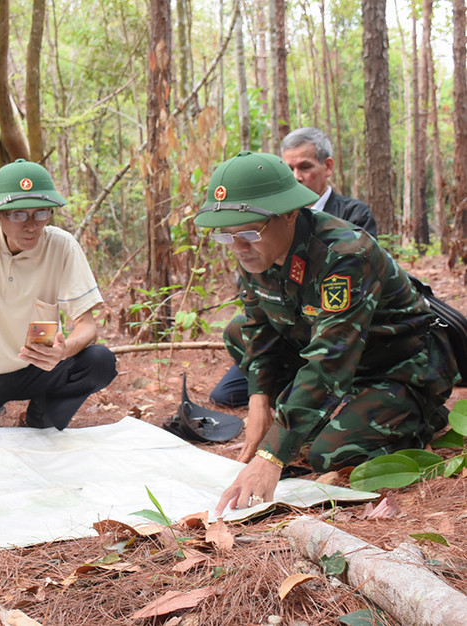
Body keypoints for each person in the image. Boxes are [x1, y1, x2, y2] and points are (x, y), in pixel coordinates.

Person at [190, 151, 458, 515]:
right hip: (337, 356)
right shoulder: (256, 253)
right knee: (238, 331)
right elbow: (258, 328)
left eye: (250, 231)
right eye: (226, 235)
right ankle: (326, 411)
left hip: (397, 365)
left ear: (288, 213)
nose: (238, 247)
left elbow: (329, 360)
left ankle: (419, 414)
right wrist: (259, 403)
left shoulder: (344, 254)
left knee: (329, 454)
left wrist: (272, 453)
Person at [0, 159, 117, 432]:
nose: (31, 225)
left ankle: (42, 415)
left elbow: (87, 325)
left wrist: (63, 351)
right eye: (18, 214)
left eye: (41, 213)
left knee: (100, 362)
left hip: (40, 367)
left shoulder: (62, 246)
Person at [209, 127, 378, 408]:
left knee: (333, 444)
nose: (297, 176)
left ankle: (320, 398)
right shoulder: (253, 230)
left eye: (305, 167)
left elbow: (349, 297)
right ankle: (295, 393)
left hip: (340, 330)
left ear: (327, 167)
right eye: (289, 168)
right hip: (293, 328)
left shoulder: (352, 218)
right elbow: (257, 300)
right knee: (227, 389)